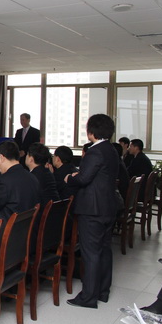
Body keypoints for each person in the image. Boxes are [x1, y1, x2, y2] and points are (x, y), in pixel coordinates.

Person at [65, 114, 119, 309]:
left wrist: (70, 178)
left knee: (91, 253)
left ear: (91, 131)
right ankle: (103, 292)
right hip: (108, 207)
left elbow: (83, 179)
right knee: (104, 250)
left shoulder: (95, 151)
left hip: (92, 210)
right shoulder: (112, 150)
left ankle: (88, 297)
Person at [0, 141, 40, 220]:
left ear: (1, 158)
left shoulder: (2, 182)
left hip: (8, 226)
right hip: (27, 225)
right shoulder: (32, 177)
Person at [25, 142, 59, 210]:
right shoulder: (47, 173)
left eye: (27, 155)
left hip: (41, 213)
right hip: (54, 211)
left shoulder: (32, 177)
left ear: (31, 159)